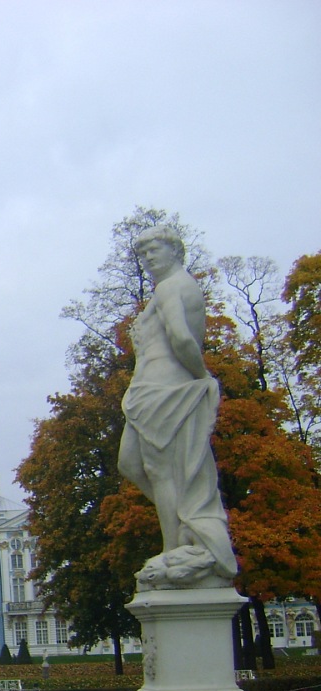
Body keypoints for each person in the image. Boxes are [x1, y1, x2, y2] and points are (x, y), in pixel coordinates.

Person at [118, 226, 237, 587]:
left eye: (154, 250)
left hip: (166, 388)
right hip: (150, 388)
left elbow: (182, 338)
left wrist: (203, 378)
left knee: (159, 470)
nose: (148, 258)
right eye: (143, 253)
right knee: (131, 464)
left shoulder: (171, 286)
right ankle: (187, 523)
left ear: (175, 250)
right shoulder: (168, 288)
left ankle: (175, 546)